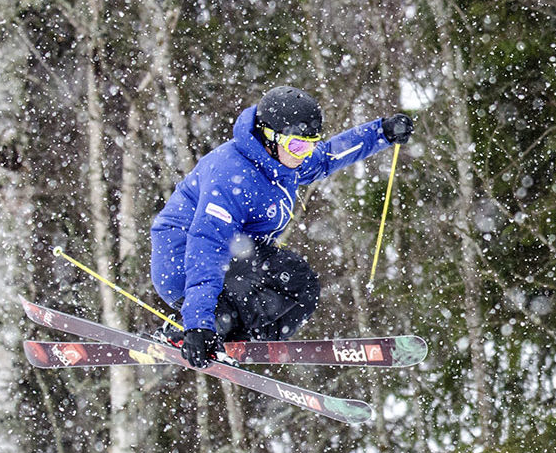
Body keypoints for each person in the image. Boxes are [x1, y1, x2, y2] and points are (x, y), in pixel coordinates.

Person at [150, 86, 414, 367]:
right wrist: (197, 323)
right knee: (281, 273)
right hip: (184, 264)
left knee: (302, 287)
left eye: (310, 144)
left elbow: (327, 157)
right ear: (269, 137)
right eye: (297, 146)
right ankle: (195, 329)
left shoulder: (284, 159)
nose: (304, 153)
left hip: (233, 260)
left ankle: (239, 340)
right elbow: (206, 248)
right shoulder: (232, 176)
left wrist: (381, 133)